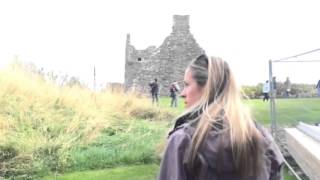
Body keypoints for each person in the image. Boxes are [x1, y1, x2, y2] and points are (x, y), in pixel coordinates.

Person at [158, 55, 283, 180]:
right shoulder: (260, 137)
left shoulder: (184, 141)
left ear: (207, 88)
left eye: (187, 85)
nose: (182, 93)